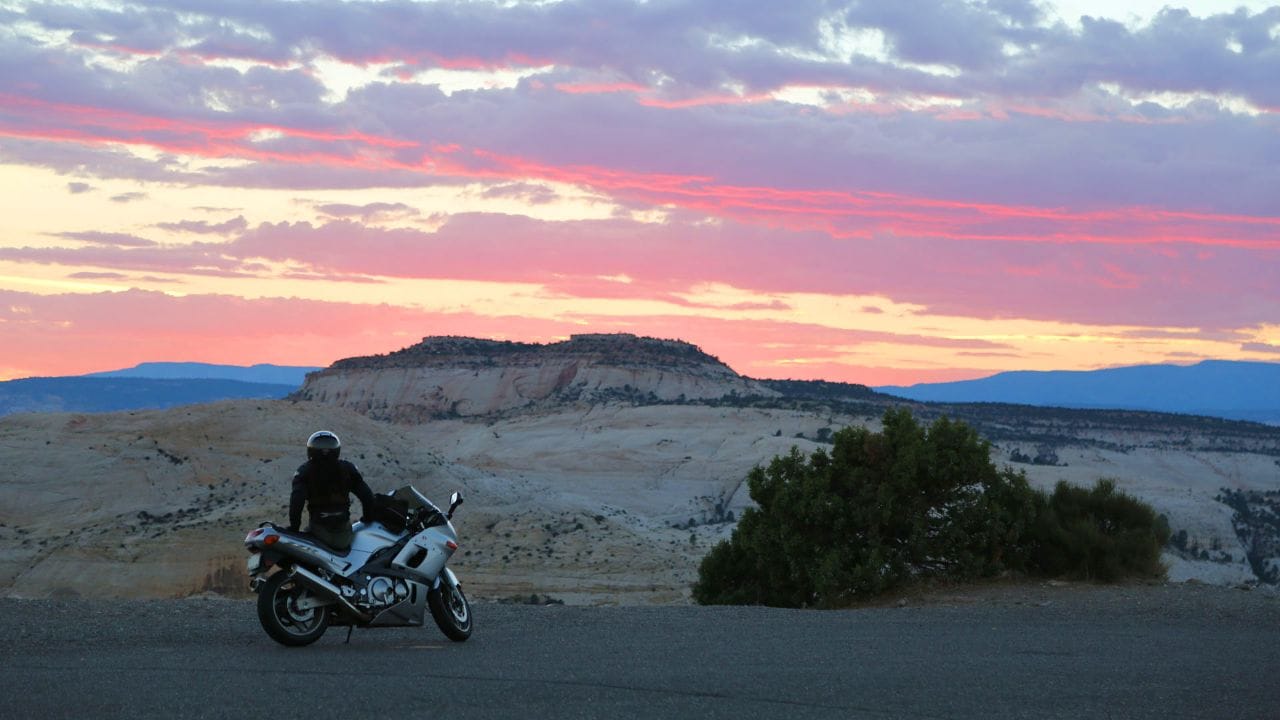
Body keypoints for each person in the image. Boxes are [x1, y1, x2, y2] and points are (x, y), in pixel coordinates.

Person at [288, 430, 374, 552]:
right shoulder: (347, 469)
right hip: (344, 534)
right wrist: (368, 518)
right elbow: (367, 496)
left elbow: (297, 501)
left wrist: (294, 528)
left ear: (311, 450)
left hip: (318, 531)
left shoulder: (304, 471)